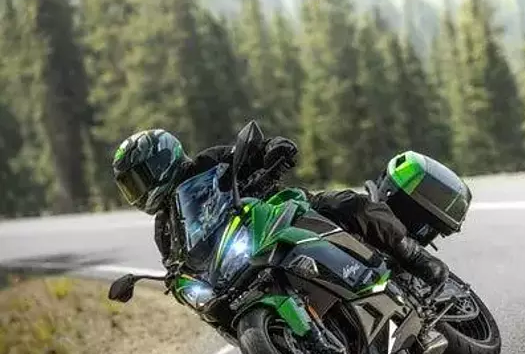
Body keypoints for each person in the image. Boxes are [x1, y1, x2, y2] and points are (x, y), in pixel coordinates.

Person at [111, 126, 449, 299]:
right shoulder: (165, 229)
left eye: (140, 178)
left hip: (281, 212)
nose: (138, 190)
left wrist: (275, 149)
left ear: (163, 161)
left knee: (347, 204)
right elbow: (177, 265)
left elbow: (252, 151)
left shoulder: (208, 162)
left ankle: (412, 255)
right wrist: (176, 280)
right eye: (130, 185)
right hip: (241, 265)